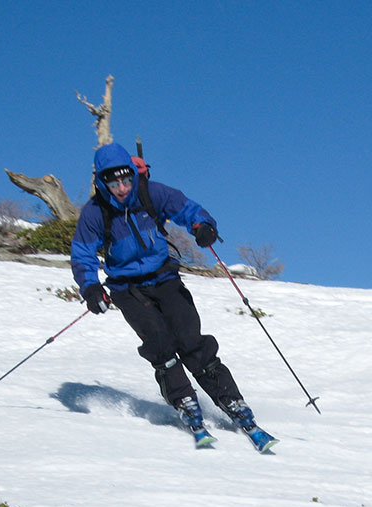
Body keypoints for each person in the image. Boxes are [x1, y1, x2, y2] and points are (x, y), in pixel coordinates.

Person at [70, 142, 263, 439]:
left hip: (164, 278)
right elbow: (82, 253)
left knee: (190, 341)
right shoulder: (95, 213)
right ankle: (183, 399)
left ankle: (231, 400)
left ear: (133, 175)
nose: (121, 188)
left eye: (126, 179)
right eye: (113, 181)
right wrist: (91, 287)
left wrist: (202, 226)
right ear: (101, 181)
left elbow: (188, 209)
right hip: (127, 288)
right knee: (160, 343)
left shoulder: (152, 193)